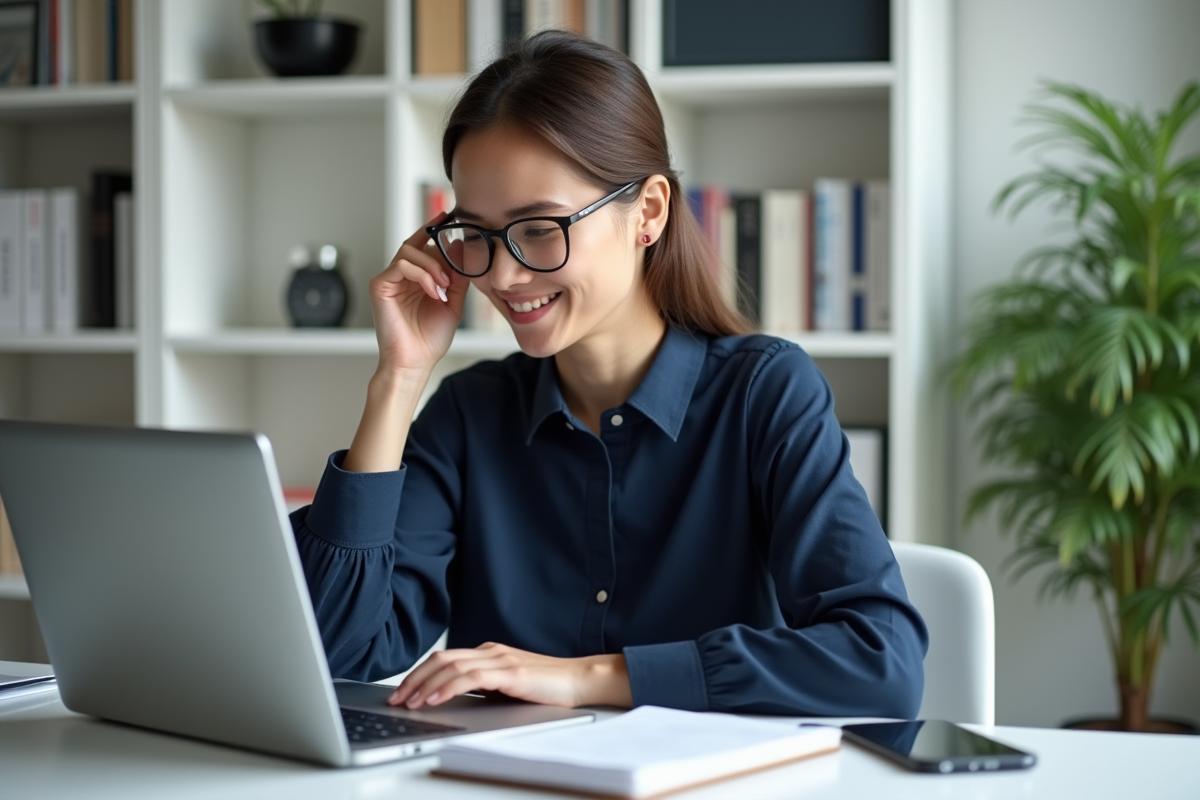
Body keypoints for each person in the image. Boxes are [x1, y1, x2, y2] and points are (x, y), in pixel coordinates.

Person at [292, 30, 927, 717]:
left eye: (539, 227)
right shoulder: (468, 414)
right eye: (476, 233)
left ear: (647, 212)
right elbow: (336, 654)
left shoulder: (763, 394)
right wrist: (398, 379)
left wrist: (583, 678)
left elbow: (879, 660)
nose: (503, 276)